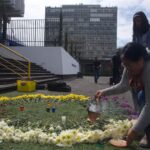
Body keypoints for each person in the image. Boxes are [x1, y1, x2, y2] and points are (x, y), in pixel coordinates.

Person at [95, 42, 150, 148]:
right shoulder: (129, 64)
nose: (127, 69)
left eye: (129, 65)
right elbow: (123, 85)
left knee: (142, 97)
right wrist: (104, 92)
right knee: (140, 95)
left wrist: (132, 133)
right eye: (125, 65)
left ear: (140, 60)